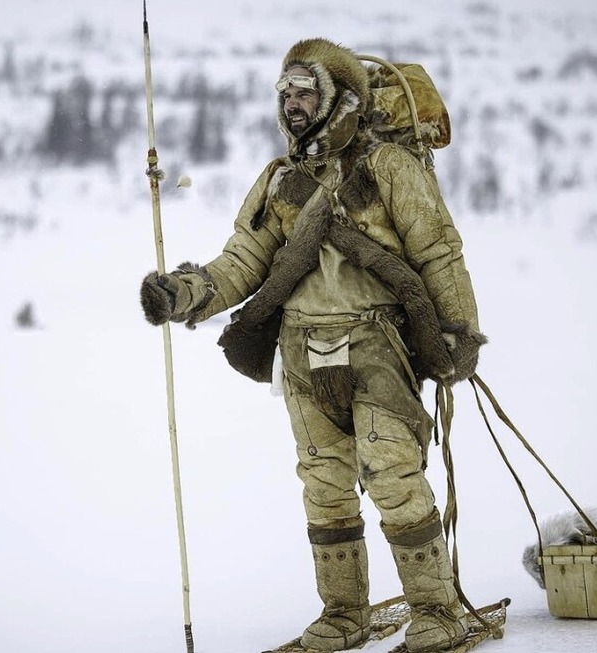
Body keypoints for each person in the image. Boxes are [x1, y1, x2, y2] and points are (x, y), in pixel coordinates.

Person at [140, 37, 485, 653]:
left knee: (392, 473)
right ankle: (343, 613)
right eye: (285, 92)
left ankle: (436, 610)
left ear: (340, 99)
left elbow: (437, 249)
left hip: (376, 344)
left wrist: (458, 331)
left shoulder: (387, 169)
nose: (292, 103)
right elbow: (243, 260)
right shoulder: (280, 182)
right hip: (300, 351)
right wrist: (185, 294)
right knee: (323, 483)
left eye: (304, 91)